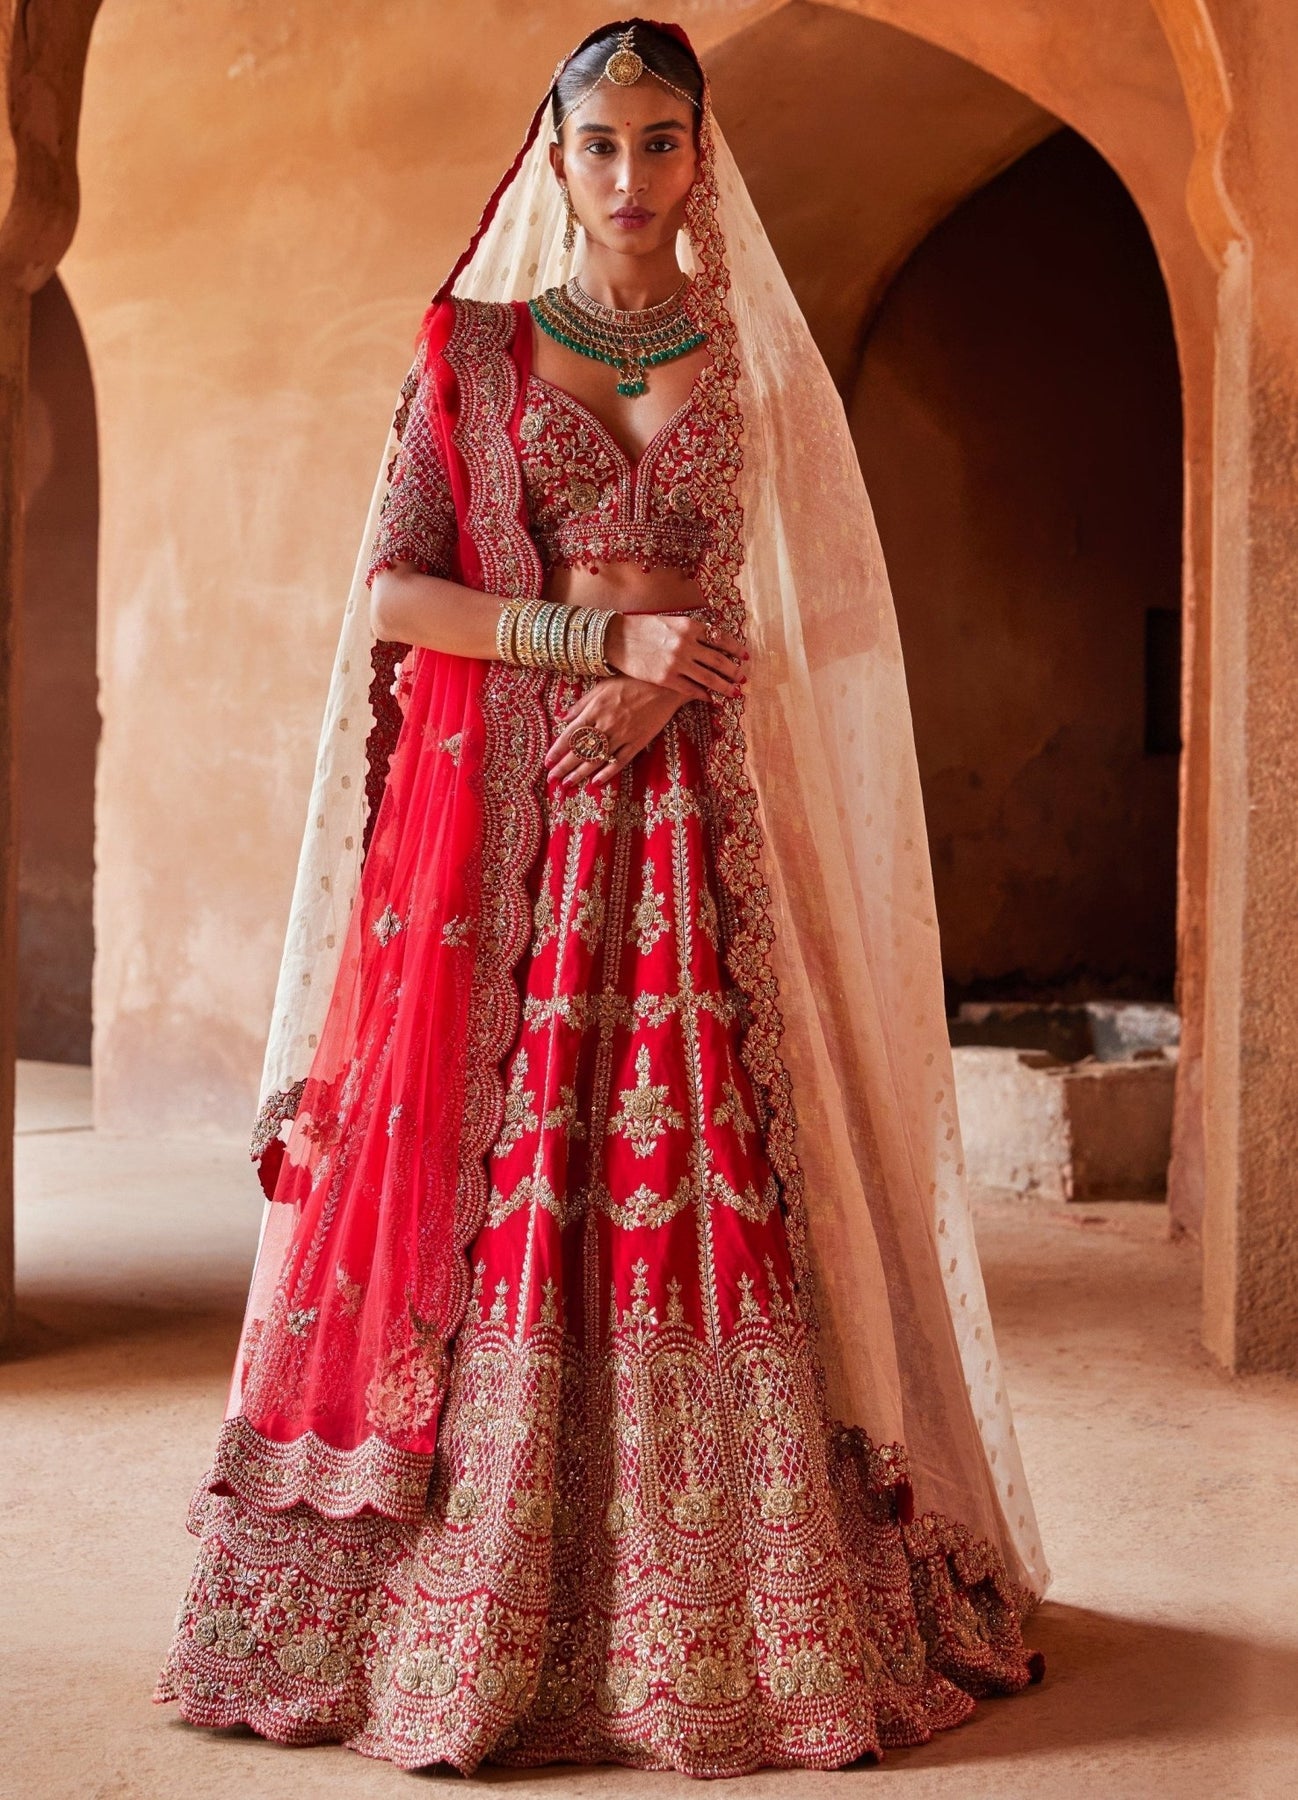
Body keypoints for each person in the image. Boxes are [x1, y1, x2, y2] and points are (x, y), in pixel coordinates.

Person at [156, 19, 1047, 1777]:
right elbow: (399, 598)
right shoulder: (474, 355)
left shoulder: (747, 358)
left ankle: (727, 1619)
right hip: (528, 844)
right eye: (600, 146)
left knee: (719, 1173)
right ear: (552, 163)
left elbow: (818, 615)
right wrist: (599, 642)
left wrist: (683, 672)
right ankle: (480, 1608)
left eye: (661, 141)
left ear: (702, 156)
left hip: (703, 832)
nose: (631, 177)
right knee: (518, 1179)